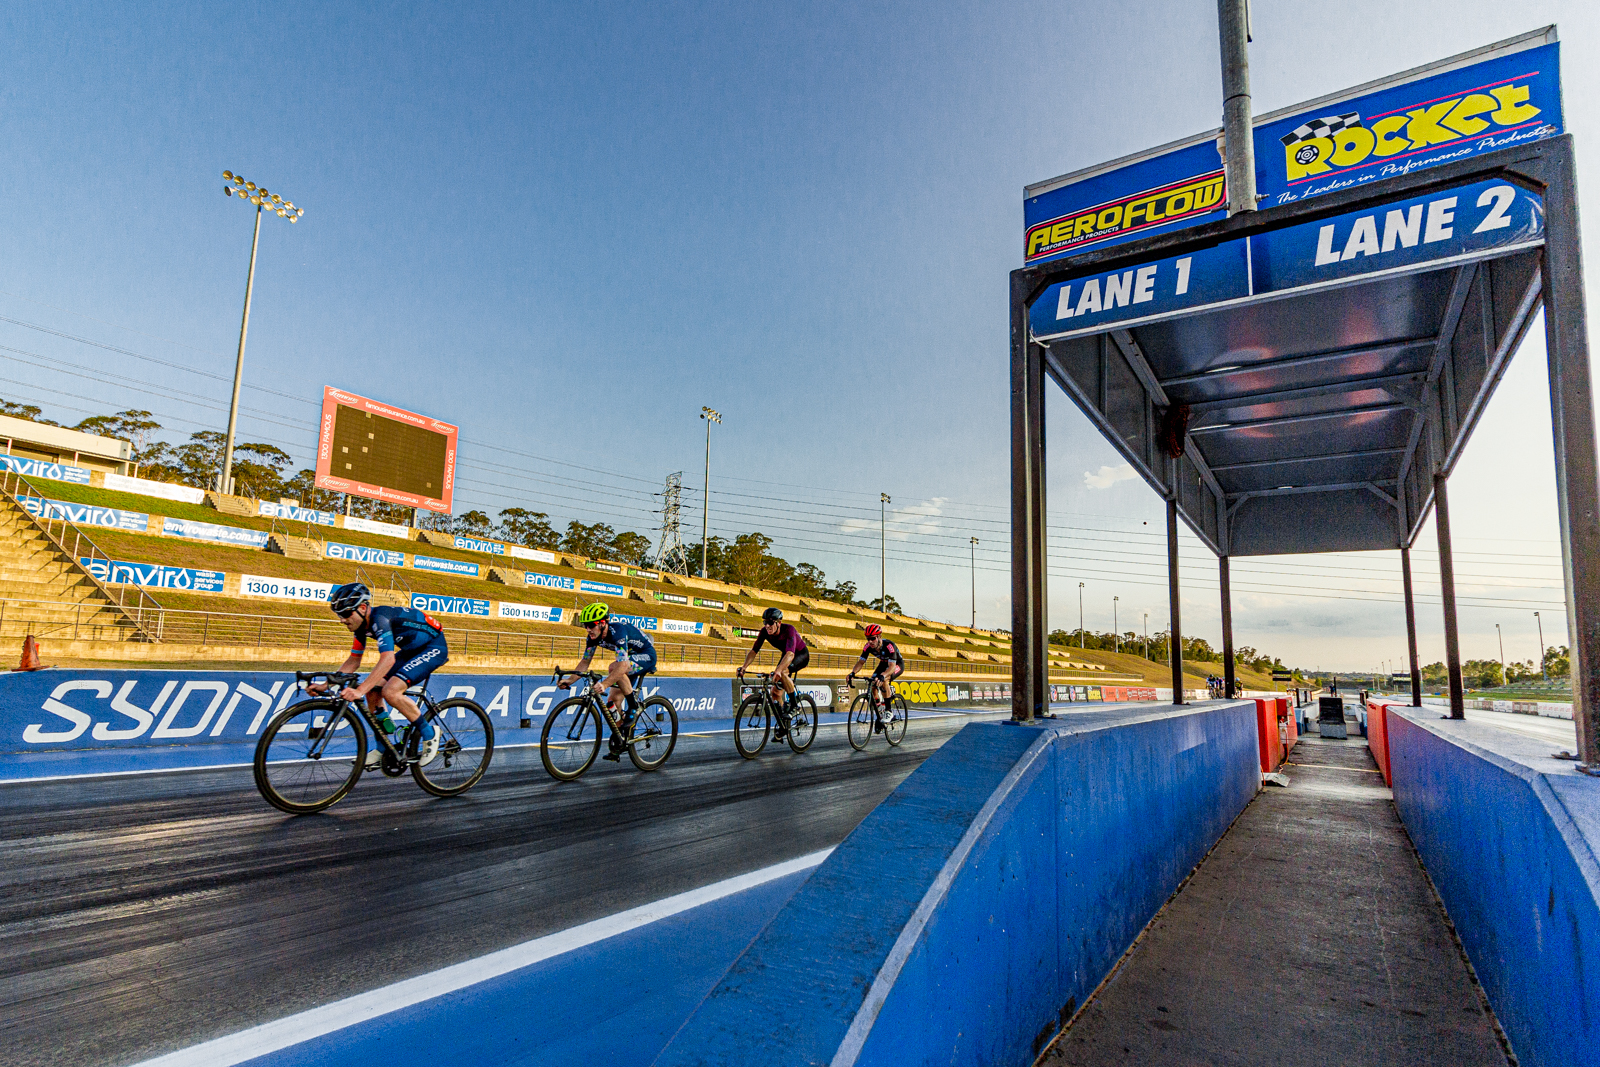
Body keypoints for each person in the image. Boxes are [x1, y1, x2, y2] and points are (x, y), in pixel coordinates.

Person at [312, 582, 444, 765]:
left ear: (363, 608)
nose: (342, 620)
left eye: (345, 614)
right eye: (339, 615)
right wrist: (325, 685)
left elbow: (388, 659)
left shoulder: (380, 618)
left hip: (433, 647)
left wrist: (359, 690)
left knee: (390, 691)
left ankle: (430, 733)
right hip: (410, 650)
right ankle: (384, 745)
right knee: (373, 691)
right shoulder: (361, 627)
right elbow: (354, 661)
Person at [559, 602, 657, 760]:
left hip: (646, 655)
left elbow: (623, 665)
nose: (588, 629)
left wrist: (604, 684)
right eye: (586, 626)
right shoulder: (592, 638)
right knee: (612, 701)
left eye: (591, 625)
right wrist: (570, 680)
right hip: (629, 660)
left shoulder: (617, 632)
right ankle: (621, 741)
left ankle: (634, 706)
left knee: (614, 667)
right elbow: (585, 662)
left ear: (603, 623)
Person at [736, 608, 810, 738]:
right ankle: (783, 723)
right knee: (775, 693)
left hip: (800, 655)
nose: (767, 626)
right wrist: (744, 667)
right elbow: (754, 651)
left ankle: (794, 705)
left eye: (770, 622)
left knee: (783, 673)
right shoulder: (764, 632)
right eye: (765, 622)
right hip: (786, 654)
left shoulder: (789, 630)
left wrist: (778, 670)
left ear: (778, 623)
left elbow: (790, 654)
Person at [846, 623, 903, 724]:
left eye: (872, 638)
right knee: (873, 683)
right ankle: (880, 709)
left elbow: (891, 667)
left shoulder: (889, 646)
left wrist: (883, 676)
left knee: (884, 680)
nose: (870, 641)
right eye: (868, 638)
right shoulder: (868, 647)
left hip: (896, 664)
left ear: (879, 636)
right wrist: (852, 673)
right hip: (883, 663)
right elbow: (861, 662)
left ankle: (889, 711)